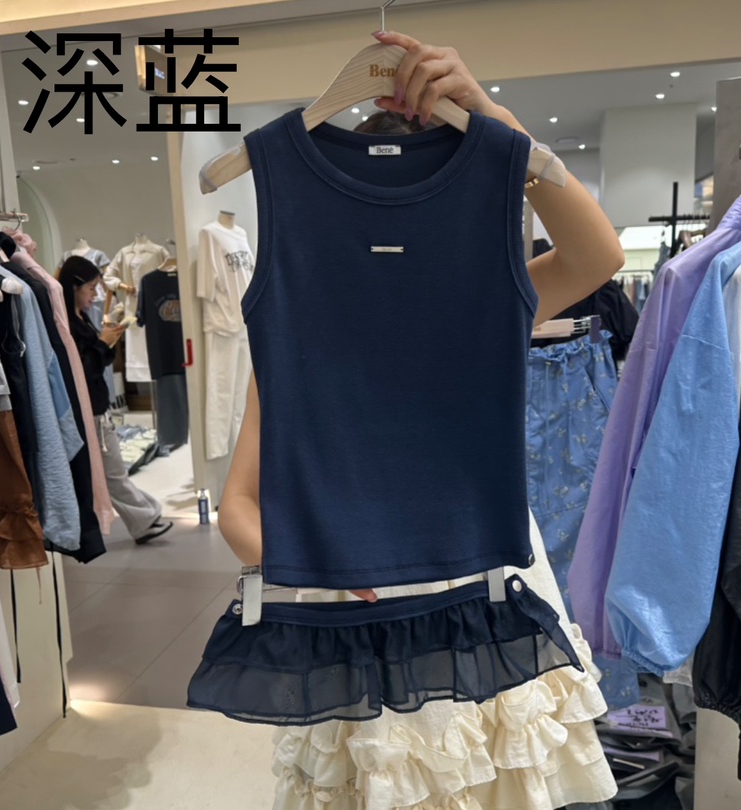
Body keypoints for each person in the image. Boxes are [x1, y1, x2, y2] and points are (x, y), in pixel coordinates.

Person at [217, 30, 625, 593]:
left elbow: (598, 257)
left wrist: (499, 126)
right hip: (346, 586)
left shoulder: (484, 301)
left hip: (479, 582)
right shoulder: (296, 332)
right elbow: (237, 506)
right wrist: (324, 571)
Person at [58, 255, 173, 545]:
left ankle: (146, 516)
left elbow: (96, 363)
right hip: (89, 411)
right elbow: (81, 370)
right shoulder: (65, 324)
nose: (96, 295)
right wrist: (102, 343)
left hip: (97, 408)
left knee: (111, 472)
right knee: (112, 473)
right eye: (91, 288)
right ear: (74, 287)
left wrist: (107, 342)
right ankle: (145, 518)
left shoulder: (79, 318)